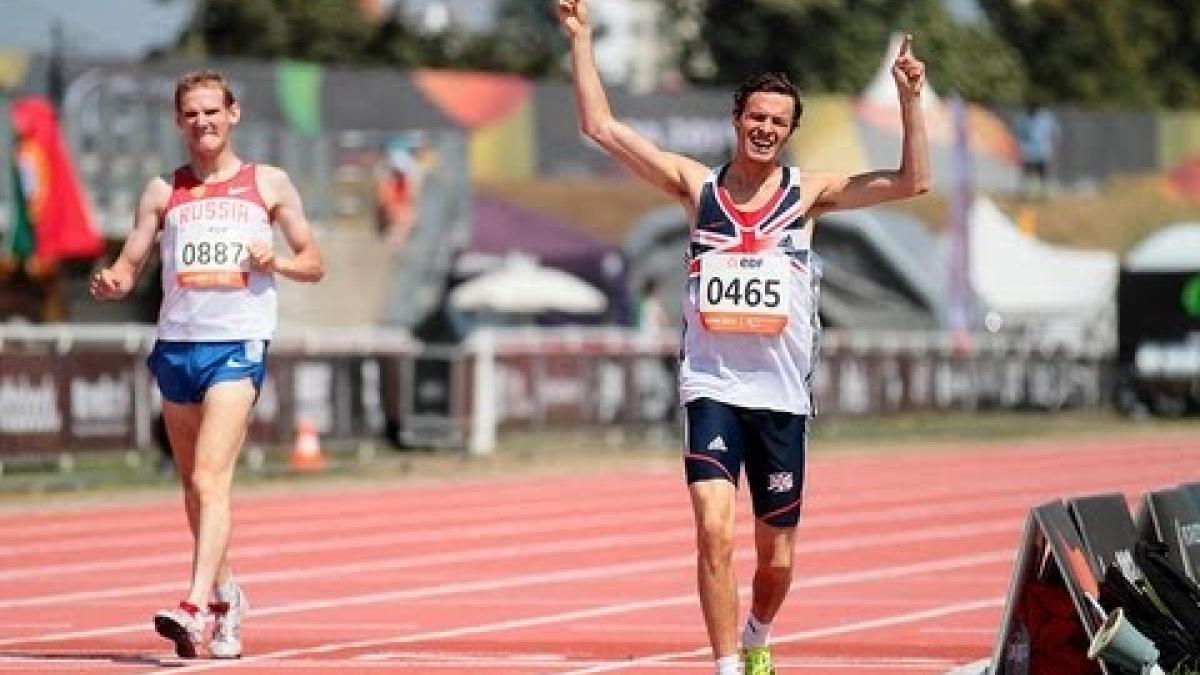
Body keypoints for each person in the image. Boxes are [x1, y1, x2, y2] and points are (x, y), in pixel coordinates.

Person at [556, 2, 929, 674]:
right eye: (755, 116)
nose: (765, 128)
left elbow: (912, 181)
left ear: (788, 133)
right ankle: (728, 665)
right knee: (712, 530)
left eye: (778, 122)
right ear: (737, 120)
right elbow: (600, 126)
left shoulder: (808, 194)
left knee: (777, 558)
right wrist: (580, 39)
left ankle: (758, 631)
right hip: (712, 385)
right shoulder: (696, 187)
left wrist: (909, 99)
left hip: (781, 398)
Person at [90, 69, 324, 659]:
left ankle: (194, 606)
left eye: (212, 111)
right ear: (179, 122)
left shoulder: (267, 183)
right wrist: (114, 281)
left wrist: (278, 262)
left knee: (210, 479)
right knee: (192, 492)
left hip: (237, 344)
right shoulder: (161, 191)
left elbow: (314, 260)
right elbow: (130, 261)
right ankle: (225, 596)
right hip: (176, 346)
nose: (203, 122)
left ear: (233, 114)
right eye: (191, 114)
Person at [1015, 102, 1060, 199]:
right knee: (1027, 175)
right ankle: (1025, 194)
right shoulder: (1023, 118)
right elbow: (1019, 135)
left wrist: (1054, 149)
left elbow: (1054, 133)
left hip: (1043, 152)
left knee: (1043, 175)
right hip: (1028, 152)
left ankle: (1043, 195)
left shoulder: (1046, 117)